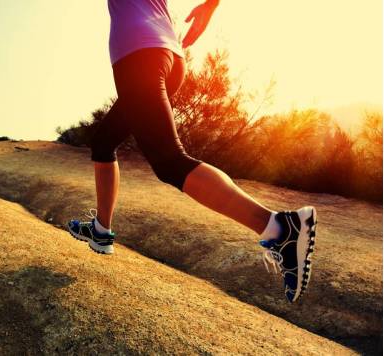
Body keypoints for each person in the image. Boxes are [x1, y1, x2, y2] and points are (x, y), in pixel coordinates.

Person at [67, 0, 317, 303]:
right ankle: (101, 231)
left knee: (170, 162)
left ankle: (279, 228)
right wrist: (211, 5)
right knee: (104, 141)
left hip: (138, 53)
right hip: (168, 53)